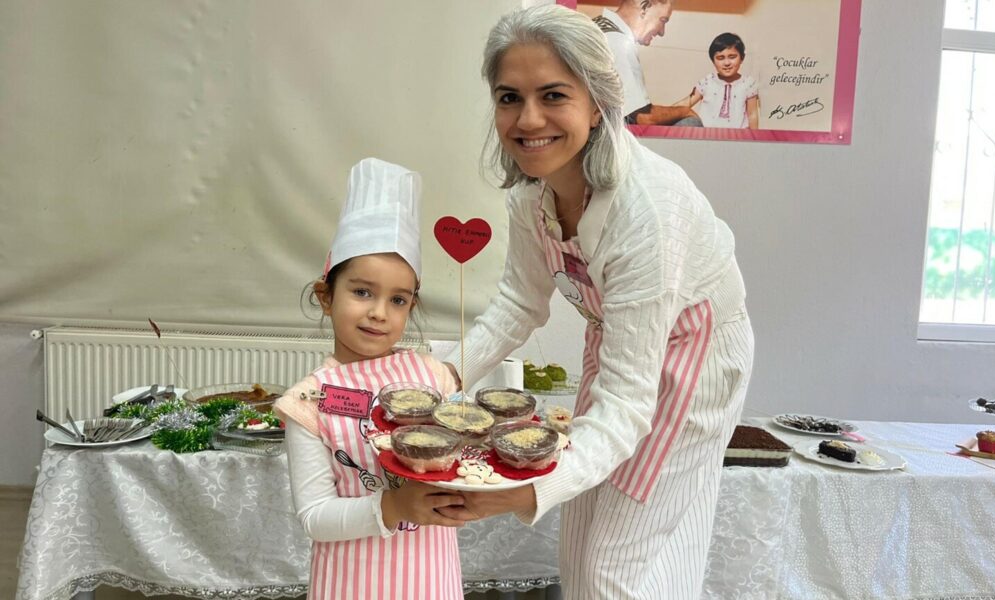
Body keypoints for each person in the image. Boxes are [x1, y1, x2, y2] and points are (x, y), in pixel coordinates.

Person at [437, 5, 753, 599]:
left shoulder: (646, 212)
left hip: (697, 355)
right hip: (617, 340)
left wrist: (523, 493)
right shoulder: (532, 194)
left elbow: (628, 405)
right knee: (580, 539)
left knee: (615, 561)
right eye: (509, 98)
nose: (528, 120)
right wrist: (442, 376)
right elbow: (519, 302)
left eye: (553, 95)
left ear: (598, 102)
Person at [273, 158, 467, 600]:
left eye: (398, 300)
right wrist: (392, 506)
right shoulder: (308, 401)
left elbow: (466, 463)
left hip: (432, 579)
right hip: (351, 582)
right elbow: (314, 516)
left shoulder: (436, 377)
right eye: (362, 292)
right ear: (326, 296)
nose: (379, 312)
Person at [594, 0, 701, 126]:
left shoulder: (598, 28)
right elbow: (642, 117)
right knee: (690, 123)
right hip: (597, 134)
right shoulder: (617, 41)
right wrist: (686, 112)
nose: (662, 32)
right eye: (663, 20)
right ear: (644, 8)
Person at [682, 32, 759, 129]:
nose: (727, 63)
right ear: (713, 61)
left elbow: (752, 114)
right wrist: (665, 114)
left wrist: (754, 136)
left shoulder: (748, 84)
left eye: (732, 57)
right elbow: (686, 104)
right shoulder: (707, 82)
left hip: (738, 136)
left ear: (742, 58)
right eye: (720, 58)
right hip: (707, 134)